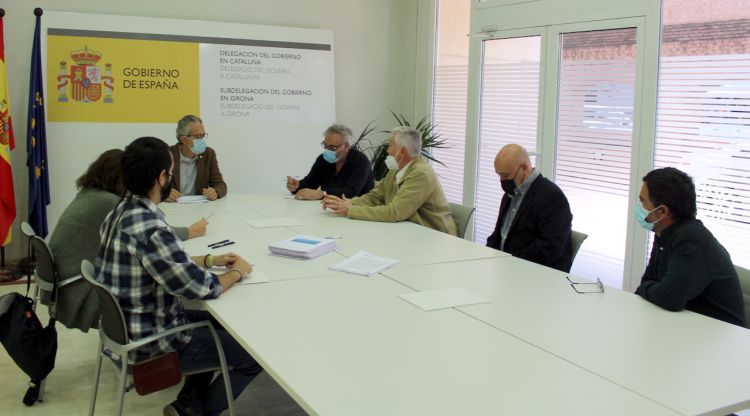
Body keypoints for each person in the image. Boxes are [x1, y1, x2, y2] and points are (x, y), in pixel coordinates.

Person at [95, 137, 262, 416]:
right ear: (162, 178)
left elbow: (160, 263)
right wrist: (237, 272)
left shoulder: (120, 212)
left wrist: (210, 260)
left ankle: (189, 403)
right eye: (169, 172)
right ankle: (199, 412)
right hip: (153, 342)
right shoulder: (151, 229)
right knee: (252, 353)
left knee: (222, 326)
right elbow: (202, 288)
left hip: (128, 327)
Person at [47, 149, 206, 332]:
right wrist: (190, 231)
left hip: (66, 277)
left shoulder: (91, 193)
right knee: (166, 290)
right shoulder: (108, 203)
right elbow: (147, 231)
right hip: (76, 290)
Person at [635, 167, 745, 327]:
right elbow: (649, 281)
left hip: (722, 338)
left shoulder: (691, 239)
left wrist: (646, 288)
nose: (639, 206)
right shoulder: (663, 233)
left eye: (642, 201)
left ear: (662, 212)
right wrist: (649, 287)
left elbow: (669, 297)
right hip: (687, 325)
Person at [322, 126, 457, 236]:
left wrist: (350, 210)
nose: (387, 150)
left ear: (402, 152)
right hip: (409, 232)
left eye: (390, 145)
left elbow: (395, 212)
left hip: (434, 237)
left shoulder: (421, 174)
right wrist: (347, 203)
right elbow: (375, 197)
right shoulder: (396, 168)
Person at [486, 144, 573, 272]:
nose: (502, 181)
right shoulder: (511, 193)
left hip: (536, 274)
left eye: (505, 175)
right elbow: (499, 235)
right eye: (499, 175)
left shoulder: (552, 197)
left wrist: (508, 264)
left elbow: (547, 250)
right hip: (507, 268)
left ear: (525, 168)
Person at [286, 123, 375, 200]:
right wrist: (297, 186)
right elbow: (311, 182)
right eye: (325, 146)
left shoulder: (360, 161)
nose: (327, 151)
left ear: (346, 146)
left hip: (357, 210)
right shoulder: (323, 159)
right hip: (329, 208)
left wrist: (322, 193)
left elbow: (351, 192)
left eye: (332, 148)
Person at [167, 115, 227, 202]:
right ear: (184, 139)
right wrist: (165, 193)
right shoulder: (167, 155)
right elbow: (154, 186)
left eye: (203, 135)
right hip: (173, 207)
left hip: (199, 207)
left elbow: (220, 184)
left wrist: (215, 192)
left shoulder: (209, 154)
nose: (202, 140)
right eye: (198, 136)